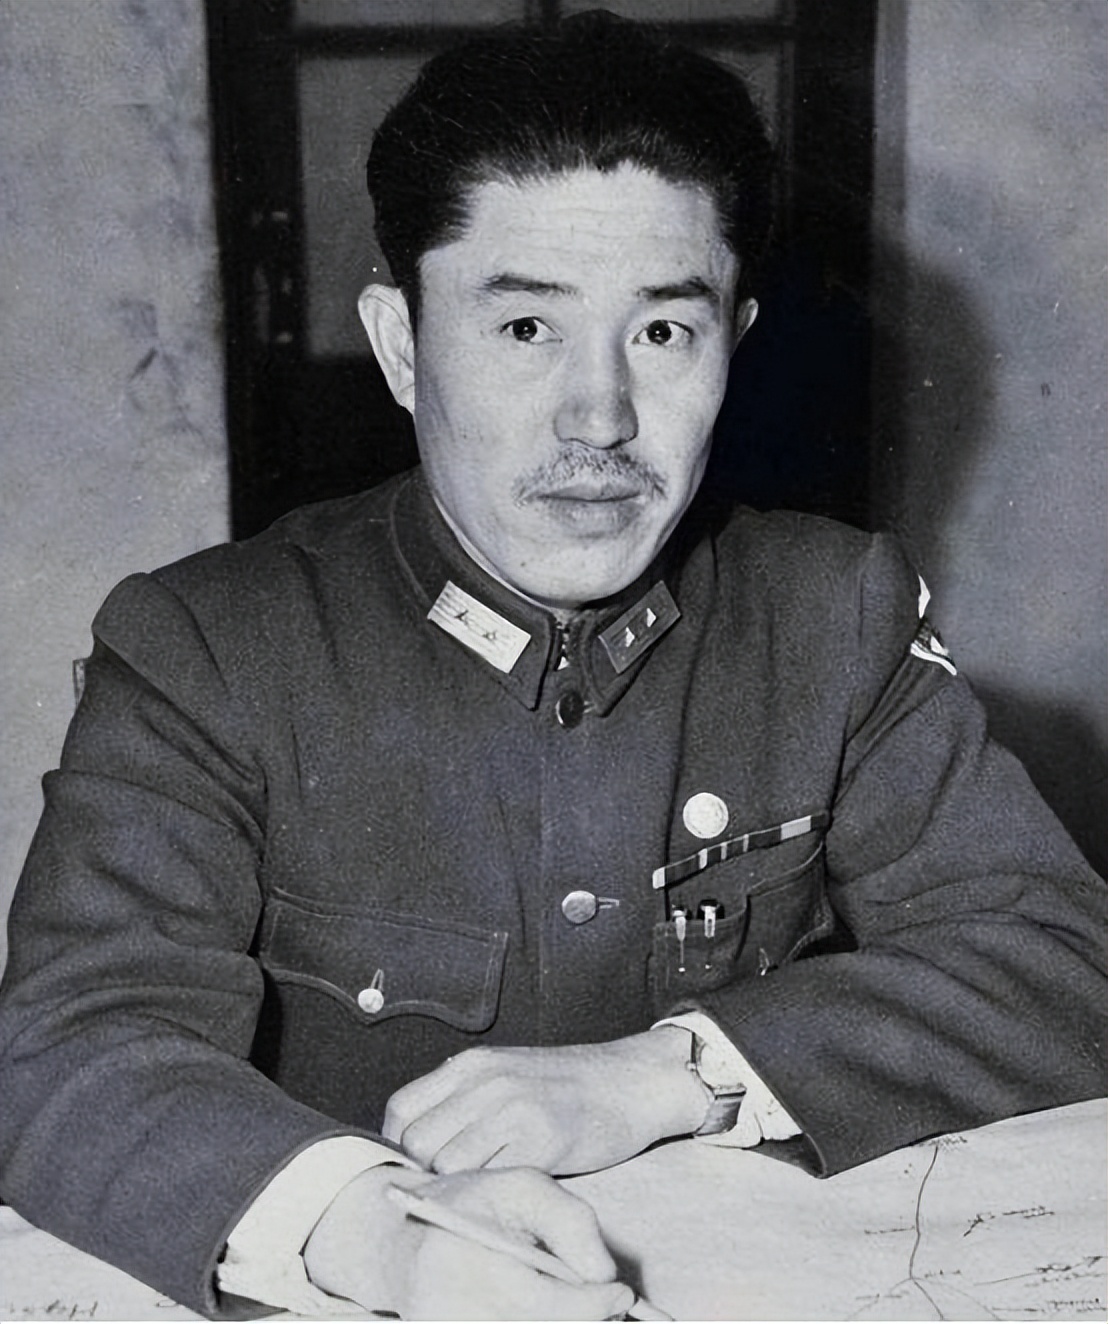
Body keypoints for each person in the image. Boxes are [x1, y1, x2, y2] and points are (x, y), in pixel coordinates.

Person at [0, 10, 1103, 1320]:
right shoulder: (210, 646)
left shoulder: (831, 614)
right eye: (526, 328)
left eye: (663, 333)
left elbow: (1058, 960)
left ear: (734, 344)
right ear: (402, 346)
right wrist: (386, 1235)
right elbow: (69, 1041)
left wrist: (674, 1073)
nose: (602, 418)